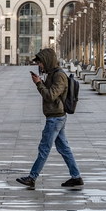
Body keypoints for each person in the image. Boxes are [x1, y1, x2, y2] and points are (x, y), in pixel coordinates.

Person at [16, 48, 83, 189]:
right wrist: (40, 81)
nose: (40, 65)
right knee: (64, 149)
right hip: (56, 117)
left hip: (55, 118)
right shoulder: (52, 74)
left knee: (44, 148)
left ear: (47, 61)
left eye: (41, 62)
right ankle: (76, 177)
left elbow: (50, 96)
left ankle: (32, 177)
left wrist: (38, 83)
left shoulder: (59, 76)